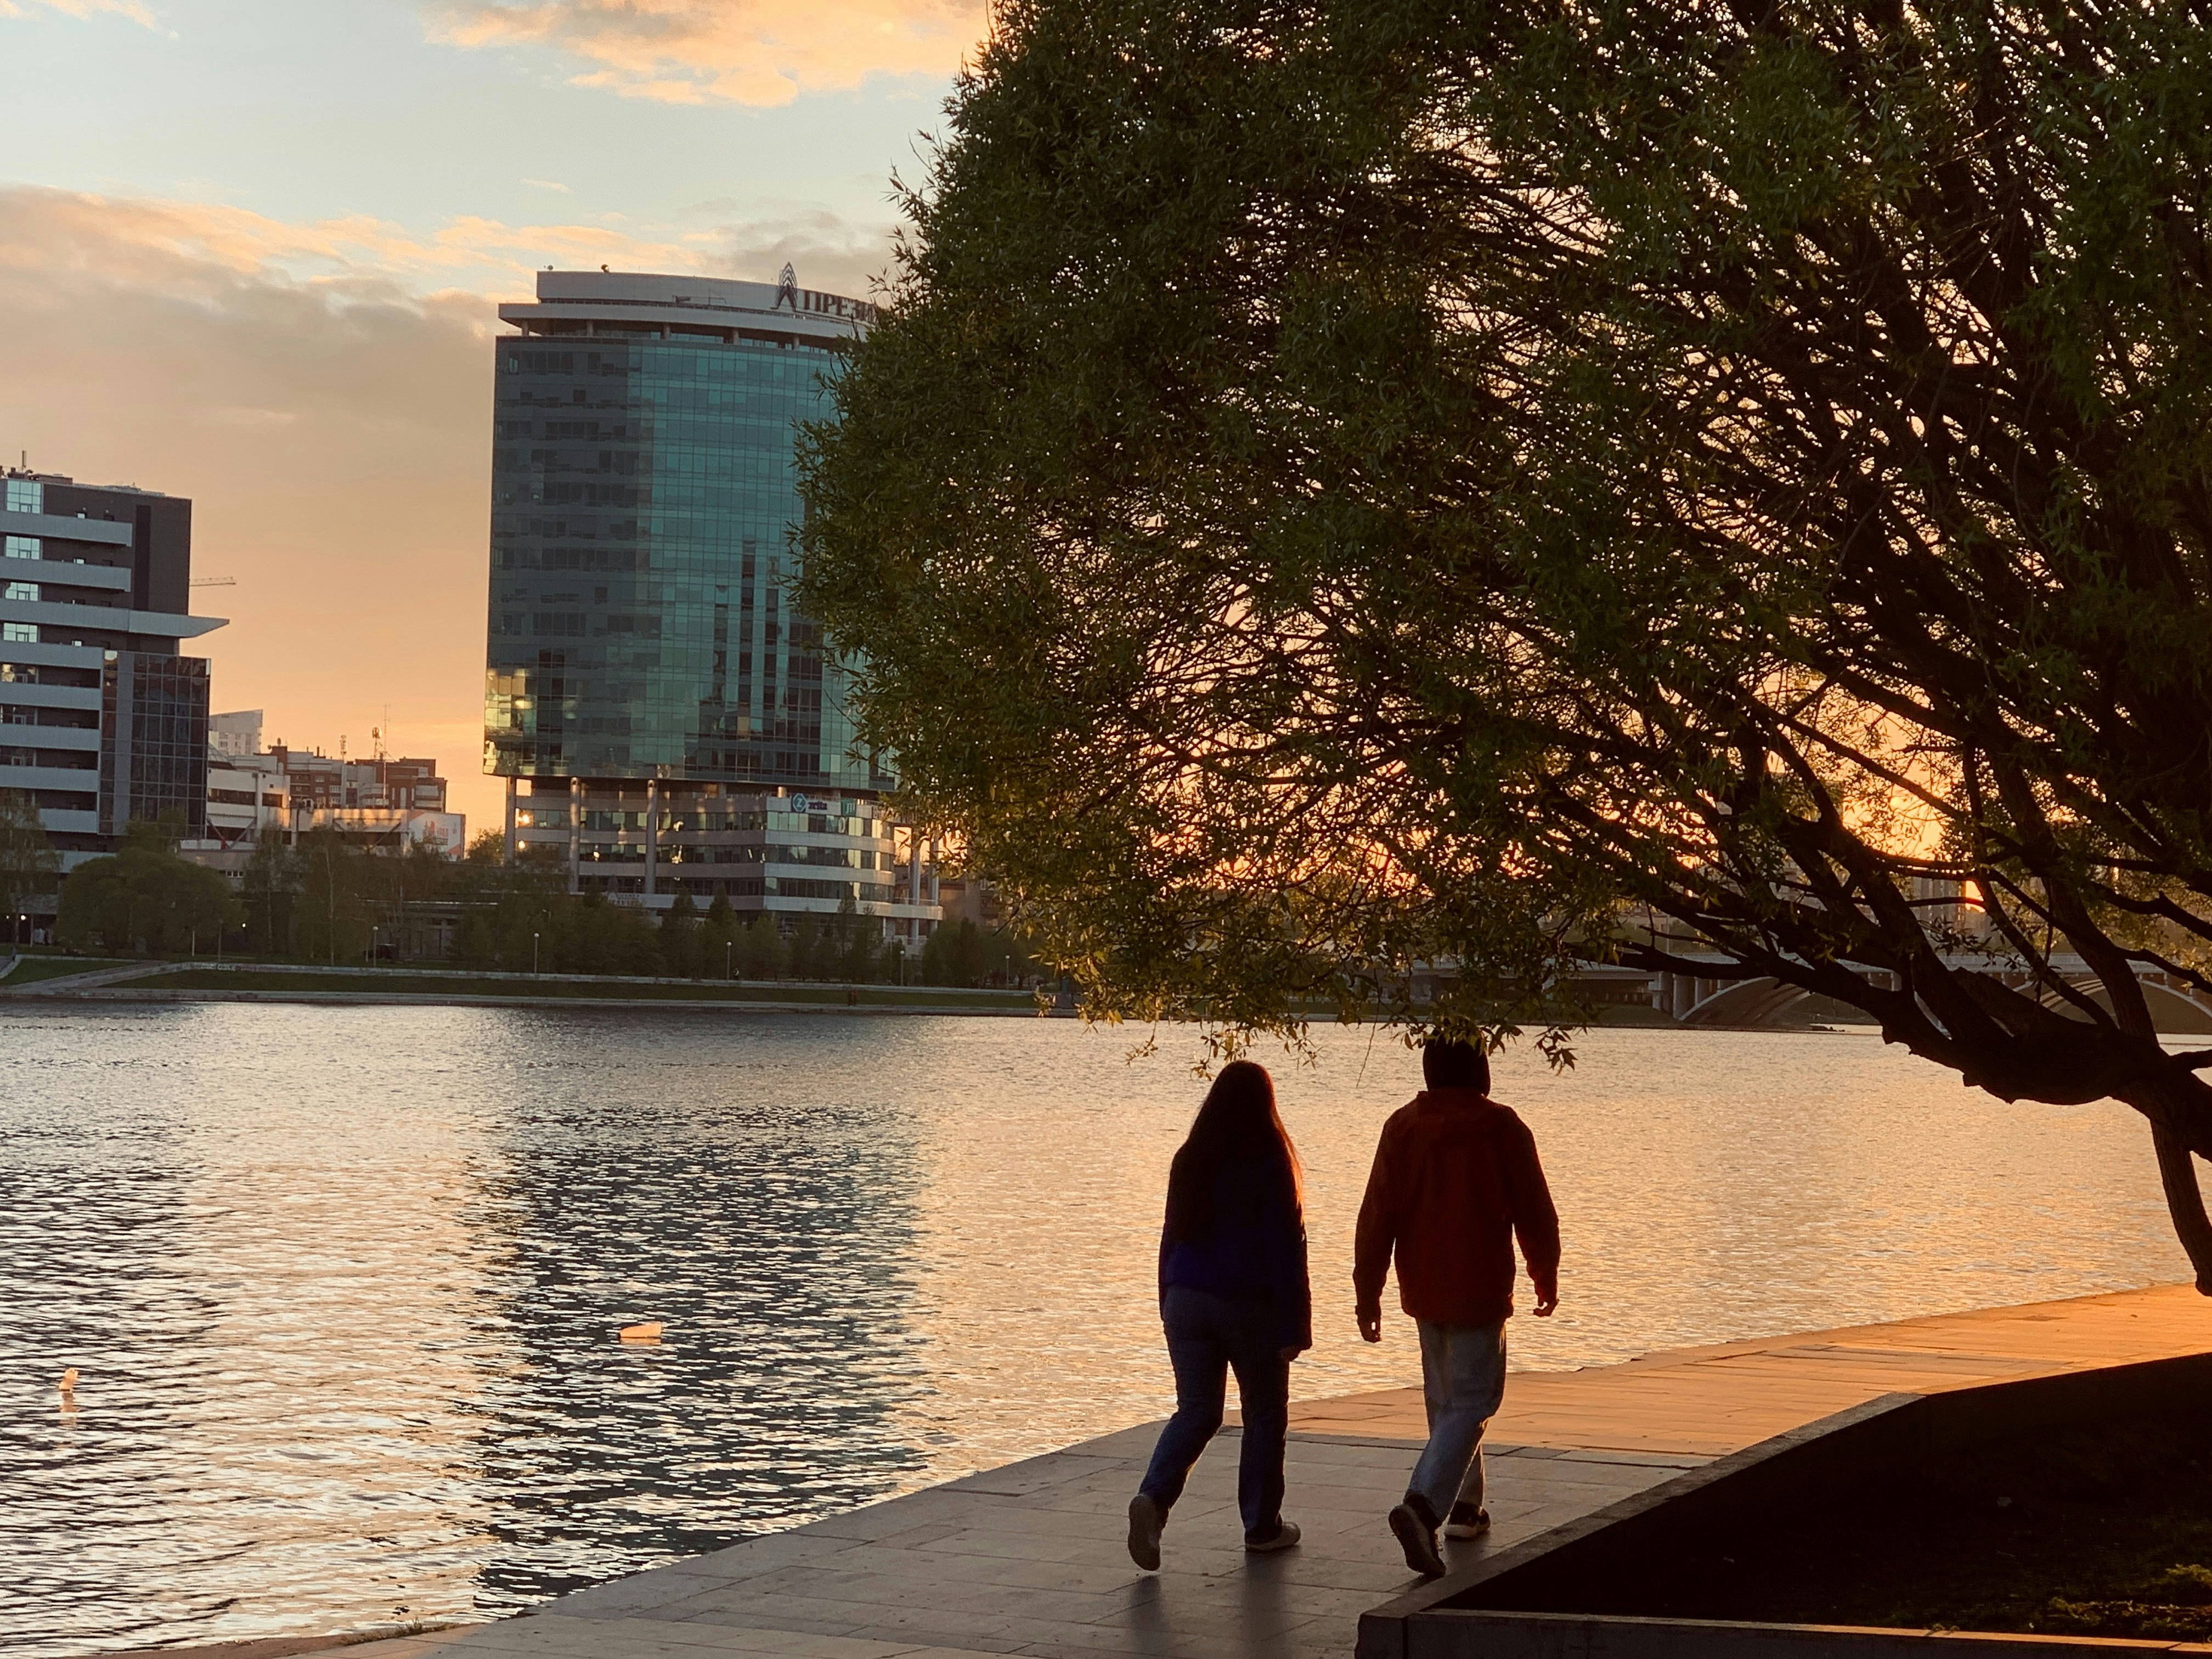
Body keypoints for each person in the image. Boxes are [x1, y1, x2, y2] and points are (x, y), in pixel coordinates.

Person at [1355, 1036, 1560, 1577]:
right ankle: (1423, 1505)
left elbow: (1378, 1215)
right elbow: (1534, 1209)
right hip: (1479, 1282)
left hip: (1423, 1283)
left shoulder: (1403, 1127)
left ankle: (1465, 1509)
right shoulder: (1503, 1128)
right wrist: (1545, 1271)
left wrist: (1367, 1289)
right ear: (1481, 1071)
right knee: (1473, 1400)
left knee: (1447, 1397)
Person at [1128, 1059, 1312, 1570]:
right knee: (1264, 1412)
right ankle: (1261, 1527)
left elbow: (1171, 1236)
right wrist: (1297, 1326)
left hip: (1186, 1298)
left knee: (1197, 1411)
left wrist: (1166, 1297)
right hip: (1247, 1302)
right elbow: (1285, 1247)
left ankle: (1153, 1500)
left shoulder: (1190, 1157)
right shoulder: (1270, 1159)